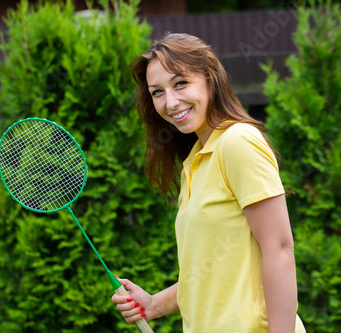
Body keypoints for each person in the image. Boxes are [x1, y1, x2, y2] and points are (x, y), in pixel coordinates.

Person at [112, 32, 306, 332]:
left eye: (180, 83)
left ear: (210, 79)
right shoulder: (195, 162)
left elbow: (279, 249)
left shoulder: (238, 142)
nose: (170, 101)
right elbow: (213, 271)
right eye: (157, 92)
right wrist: (155, 304)